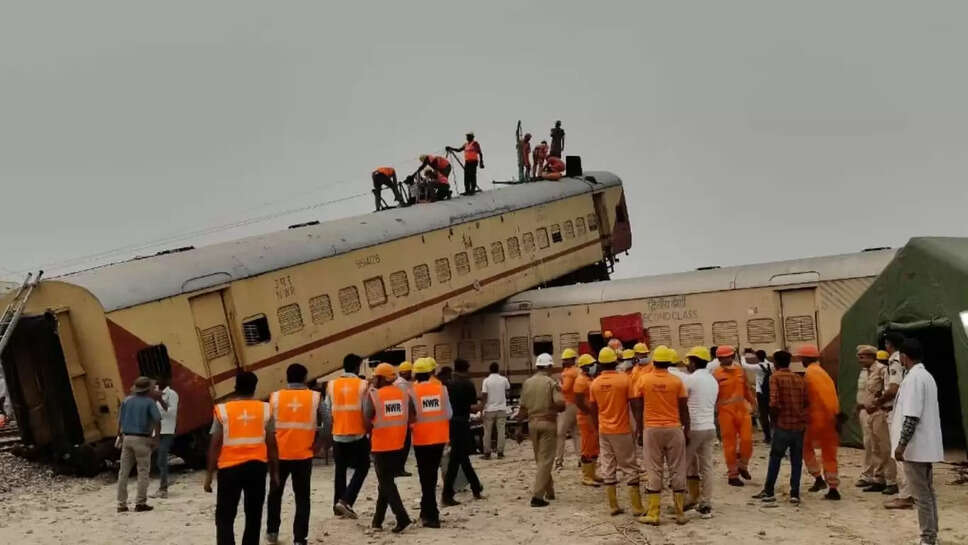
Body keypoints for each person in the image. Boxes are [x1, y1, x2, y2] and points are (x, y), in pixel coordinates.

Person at [204, 372, 279, 545]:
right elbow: (272, 445)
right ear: (255, 387)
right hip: (257, 468)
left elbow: (215, 445)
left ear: (235, 387)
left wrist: (209, 475)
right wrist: (275, 473)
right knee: (254, 514)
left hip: (229, 469)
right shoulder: (265, 409)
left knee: (225, 516)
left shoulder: (223, 410)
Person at [891, 339, 944, 545]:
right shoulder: (926, 376)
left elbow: (911, 416)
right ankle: (932, 533)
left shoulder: (914, 379)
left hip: (915, 448)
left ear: (904, 356)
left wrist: (901, 445)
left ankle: (928, 538)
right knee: (928, 494)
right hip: (923, 446)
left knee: (921, 496)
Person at [631, 347, 690, 526]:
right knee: (677, 468)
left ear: (654, 361)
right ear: (668, 362)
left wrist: (640, 431)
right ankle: (680, 513)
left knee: (654, 469)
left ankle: (654, 513)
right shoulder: (677, 381)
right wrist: (686, 429)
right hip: (674, 428)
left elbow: (638, 407)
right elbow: (683, 408)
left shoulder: (643, 380)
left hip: (652, 429)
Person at [266, 363, 323, 545]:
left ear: (287, 378)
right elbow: (329, 420)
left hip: (279, 455)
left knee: (275, 493)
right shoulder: (314, 397)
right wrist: (320, 443)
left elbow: (267, 426)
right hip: (303, 455)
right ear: (305, 378)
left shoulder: (275, 398)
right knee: (302, 497)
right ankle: (299, 539)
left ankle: (272, 531)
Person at [589, 347, 643, 516]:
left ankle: (613, 505)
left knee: (608, 465)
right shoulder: (624, 380)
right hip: (622, 429)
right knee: (629, 466)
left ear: (600, 364)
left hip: (604, 430)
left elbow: (592, 408)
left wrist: (597, 427)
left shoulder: (595, 383)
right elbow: (635, 404)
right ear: (615, 362)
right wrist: (640, 426)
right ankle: (637, 507)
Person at [752, 350, 808, 504]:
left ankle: (769, 491)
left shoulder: (774, 377)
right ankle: (795, 493)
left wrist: (774, 421)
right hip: (798, 426)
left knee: (775, 458)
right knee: (796, 460)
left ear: (775, 363)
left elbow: (774, 402)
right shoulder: (799, 378)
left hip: (783, 425)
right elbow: (806, 402)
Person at [364, 363, 414, 533]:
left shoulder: (374, 396)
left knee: (386, 483)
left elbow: (366, 419)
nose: (373, 379)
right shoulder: (403, 394)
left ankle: (402, 517)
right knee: (385, 483)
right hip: (398, 443)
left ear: (381, 378)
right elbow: (412, 415)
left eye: (375, 376)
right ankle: (377, 521)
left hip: (381, 445)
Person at [323, 353, 370, 519]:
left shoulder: (331, 385)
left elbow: (327, 411)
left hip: (338, 435)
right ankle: (346, 500)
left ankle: (337, 504)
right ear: (357, 367)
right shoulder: (363, 384)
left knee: (340, 470)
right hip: (357, 434)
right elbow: (366, 410)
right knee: (363, 467)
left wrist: (330, 431)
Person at [517, 353, 566, 507]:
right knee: (546, 460)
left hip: (532, 424)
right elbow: (560, 404)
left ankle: (550, 491)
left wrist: (519, 428)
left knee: (541, 459)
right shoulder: (551, 383)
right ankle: (537, 497)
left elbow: (522, 409)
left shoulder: (527, 383)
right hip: (548, 422)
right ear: (549, 366)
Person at [409, 358, 452, 528]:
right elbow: (448, 413)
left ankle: (431, 515)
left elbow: (410, 416)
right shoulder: (442, 389)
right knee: (432, 475)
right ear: (430, 373)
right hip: (439, 437)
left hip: (421, 439)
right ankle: (426, 511)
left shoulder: (412, 392)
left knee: (425, 476)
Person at [798, 344, 843, 500]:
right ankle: (833, 486)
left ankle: (818, 478)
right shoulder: (823, 373)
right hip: (831, 420)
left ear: (804, 358)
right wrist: (836, 416)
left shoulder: (810, 374)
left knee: (805, 447)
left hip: (817, 420)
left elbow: (822, 398)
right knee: (829, 455)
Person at [682, 347, 718, 518]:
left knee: (682, 465)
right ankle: (706, 504)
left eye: (689, 361)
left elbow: (681, 399)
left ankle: (681, 501)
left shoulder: (691, 380)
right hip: (710, 427)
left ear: (694, 362)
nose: (687, 364)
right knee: (707, 466)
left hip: (695, 428)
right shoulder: (713, 380)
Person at [442, 359, 484, 505]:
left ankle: (476, 487)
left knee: (461, 458)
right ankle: (447, 494)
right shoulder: (468, 384)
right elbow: (473, 407)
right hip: (462, 424)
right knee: (457, 460)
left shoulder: (447, 384)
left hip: (451, 423)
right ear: (466, 369)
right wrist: (482, 404)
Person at [117, 376, 162, 513]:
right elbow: (157, 420)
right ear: (147, 389)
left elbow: (119, 420)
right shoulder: (149, 402)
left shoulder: (126, 401)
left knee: (123, 472)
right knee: (142, 471)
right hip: (142, 439)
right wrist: (156, 438)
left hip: (127, 437)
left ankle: (121, 504)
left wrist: (119, 435)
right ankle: (140, 503)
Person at [712, 345, 756, 486]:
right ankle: (733, 475)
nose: (727, 359)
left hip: (742, 410)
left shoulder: (739, 371)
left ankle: (743, 465)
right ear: (719, 359)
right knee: (729, 445)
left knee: (747, 441)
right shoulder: (716, 374)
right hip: (725, 413)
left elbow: (747, 388)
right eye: (724, 357)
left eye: (729, 356)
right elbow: (713, 395)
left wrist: (754, 404)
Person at [878, 333, 913, 508]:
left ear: (889, 344)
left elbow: (893, 388)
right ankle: (910, 491)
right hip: (902, 409)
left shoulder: (895, 360)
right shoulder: (905, 361)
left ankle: (906, 495)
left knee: (898, 452)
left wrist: (878, 401)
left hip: (894, 410)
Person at [854, 345, 893, 493]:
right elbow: (863, 391)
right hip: (866, 411)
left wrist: (877, 404)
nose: (859, 360)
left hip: (879, 412)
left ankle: (891, 480)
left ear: (871, 357)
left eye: (862, 357)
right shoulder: (864, 372)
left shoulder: (883, 370)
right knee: (872, 446)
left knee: (884, 446)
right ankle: (878, 478)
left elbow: (888, 391)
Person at [573, 353, 601, 487]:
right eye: (591, 365)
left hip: (591, 415)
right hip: (585, 417)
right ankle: (586, 475)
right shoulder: (580, 381)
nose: (594, 366)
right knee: (587, 445)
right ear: (585, 367)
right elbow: (578, 400)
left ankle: (592, 473)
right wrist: (589, 411)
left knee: (594, 444)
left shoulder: (589, 379)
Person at [152, 376, 178, 499]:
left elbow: (172, 412)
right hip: (157, 431)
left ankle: (163, 488)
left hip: (167, 430)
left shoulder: (172, 394)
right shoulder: (157, 396)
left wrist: (160, 401)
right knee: (159, 459)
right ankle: (164, 484)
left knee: (162, 458)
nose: (155, 386)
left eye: (157, 383)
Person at [555, 348, 581, 469]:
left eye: (566, 360)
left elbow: (565, 388)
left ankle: (559, 460)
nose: (564, 361)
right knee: (576, 432)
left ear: (571, 360)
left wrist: (558, 385)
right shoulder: (578, 371)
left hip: (568, 405)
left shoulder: (569, 373)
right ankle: (581, 457)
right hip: (577, 404)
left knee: (560, 433)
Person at [741, 350, 773, 442]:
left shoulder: (758, 367)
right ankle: (774, 434)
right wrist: (754, 352)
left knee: (764, 415)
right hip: (770, 392)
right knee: (771, 414)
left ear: (757, 357)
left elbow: (744, 365)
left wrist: (743, 355)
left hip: (761, 393)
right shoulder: (770, 365)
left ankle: (767, 437)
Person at [481, 362, 510, 459]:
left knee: (487, 432)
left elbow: (484, 395)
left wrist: (482, 407)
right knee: (501, 431)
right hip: (501, 408)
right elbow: (508, 389)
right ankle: (500, 452)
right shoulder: (504, 380)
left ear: (489, 370)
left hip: (489, 409)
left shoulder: (486, 381)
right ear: (498, 369)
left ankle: (487, 452)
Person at [394, 361, 415, 477]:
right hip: (403, 418)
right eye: (410, 371)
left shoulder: (400, 383)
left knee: (402, 444)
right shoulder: (402, 385)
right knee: (405, 444)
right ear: (406, 372)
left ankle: (398, 468)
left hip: (399, 418)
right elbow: (406, 402)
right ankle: (399, 468)